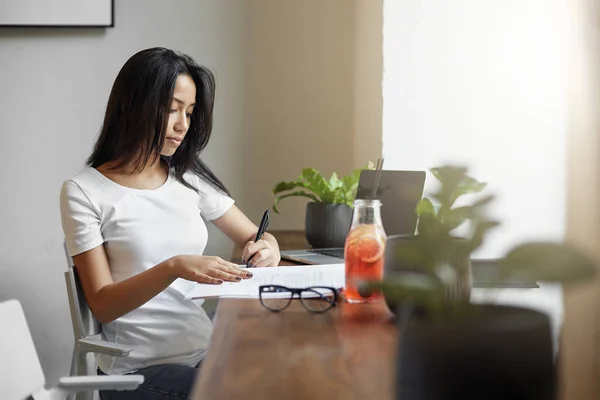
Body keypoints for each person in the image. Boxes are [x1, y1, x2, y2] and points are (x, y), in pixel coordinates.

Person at [59, 47, 281, 400]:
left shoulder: (187, 176)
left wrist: (267, 249)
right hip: (134, 374)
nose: (183, 125)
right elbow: (102, 303)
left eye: (190, 113)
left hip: (204, 356)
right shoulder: (84, 191)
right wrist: (175, 267)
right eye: (172, 109)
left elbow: (257, 235)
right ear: (131, 105)